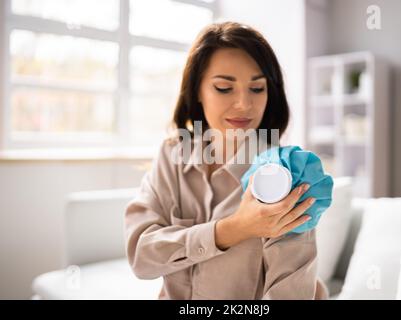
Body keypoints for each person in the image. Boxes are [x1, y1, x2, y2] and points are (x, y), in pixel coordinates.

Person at [124, 21, 328, 300]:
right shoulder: (172, 155)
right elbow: (141, 257)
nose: (244, 104)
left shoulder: (286, 174)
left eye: (257, 89)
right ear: (197, 90)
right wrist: (234, 229)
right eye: (224, 88)